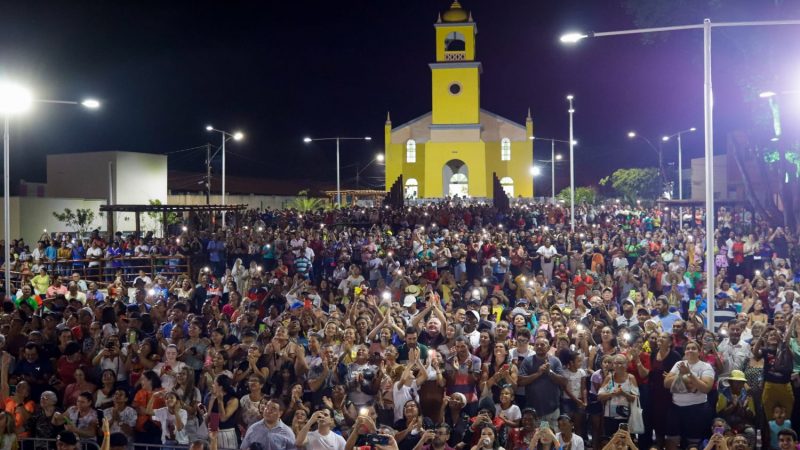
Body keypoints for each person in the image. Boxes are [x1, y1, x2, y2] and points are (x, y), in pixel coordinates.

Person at [663, 340, 715, 450]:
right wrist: (689, 378)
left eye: (693, 348)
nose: (690, 350)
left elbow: (705, 388)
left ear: (699, 352)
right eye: (687, 348)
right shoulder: (678, 364)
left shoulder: (706, 367)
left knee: (693, 443)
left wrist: (688, 374)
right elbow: (666, 383)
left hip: (696, 409)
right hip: (676, 408)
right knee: (671, 440)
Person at [518, 337, 566, 428]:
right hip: (534, 411)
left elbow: (563, 382)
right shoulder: (527, 361)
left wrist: (550, 372)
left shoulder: (555, 361)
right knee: (537, 438)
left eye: (542, 345)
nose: (539, 346)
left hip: (551, 410)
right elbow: (520, 381)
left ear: (548, 348)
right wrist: (538, 373)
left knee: (551, 438)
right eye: (537, 345)